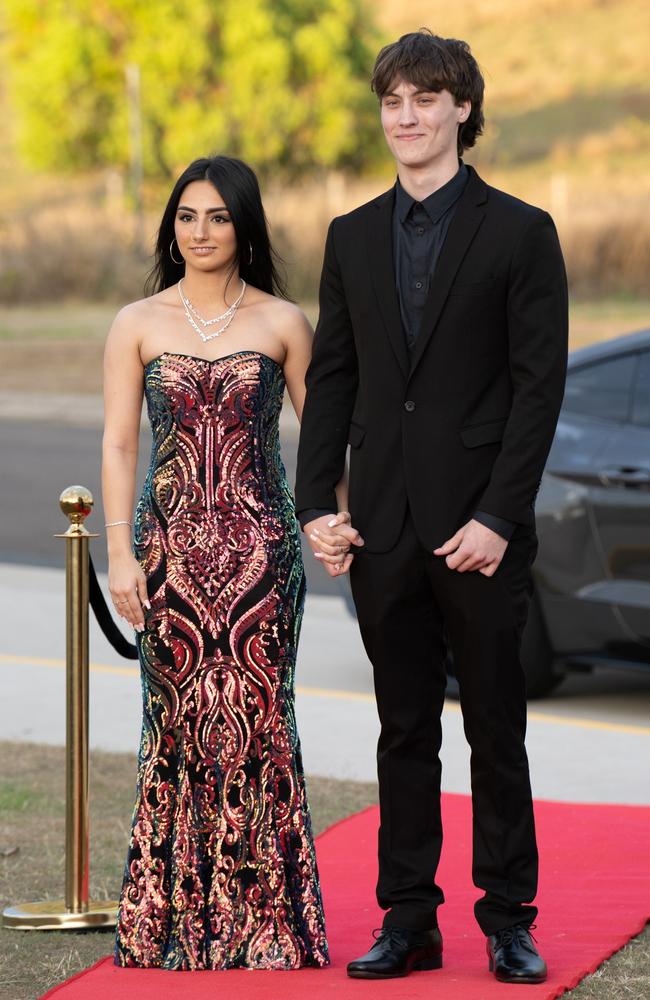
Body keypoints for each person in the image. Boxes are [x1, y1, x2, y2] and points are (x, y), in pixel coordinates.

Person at [295, 30, 568, 984]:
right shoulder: (350, 235)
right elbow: (333, 378)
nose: (405, 116)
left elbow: (539, 389)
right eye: (392, 101)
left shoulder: (523, 232)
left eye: (425, 98)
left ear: (462, 109)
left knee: (496, 727)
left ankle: (508, 919)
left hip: (481, 529)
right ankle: (407, 918)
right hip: (380, 526)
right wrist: (312, 505)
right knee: (402, 728)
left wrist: (499, 516)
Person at [102, 155, 334, 970]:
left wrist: (330, 522)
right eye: (187, 216)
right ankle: (169, 923)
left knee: (261, 727)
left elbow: (327, 439)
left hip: (264, 558)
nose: (200, 232)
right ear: (172, 225)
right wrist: (120, 556)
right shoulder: (136, 321)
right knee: (178, 726)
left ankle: (268, 925)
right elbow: (121, 441)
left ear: (245, 226)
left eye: (218, 217)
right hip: (165, 555)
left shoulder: (283, 322)